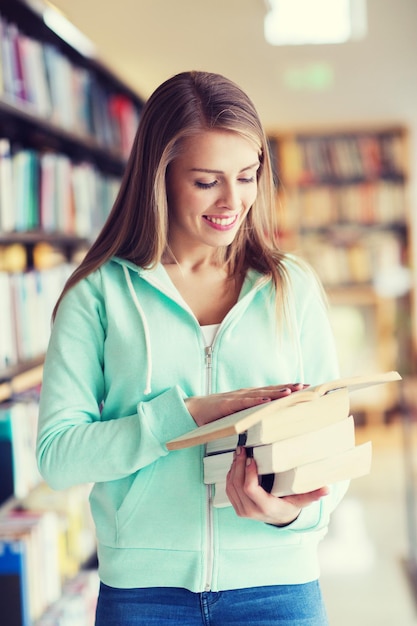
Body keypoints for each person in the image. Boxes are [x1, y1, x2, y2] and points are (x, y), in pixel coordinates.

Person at [37, 70, 347, 626]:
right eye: (207, 181)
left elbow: (330, 449)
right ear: (160, 177)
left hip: (278, 589)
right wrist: (181, 420)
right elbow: (59, 457)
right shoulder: (100, 293)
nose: (234, 200)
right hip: (143, 596)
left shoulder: (290, 285)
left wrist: (285, 517)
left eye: (248, 176)